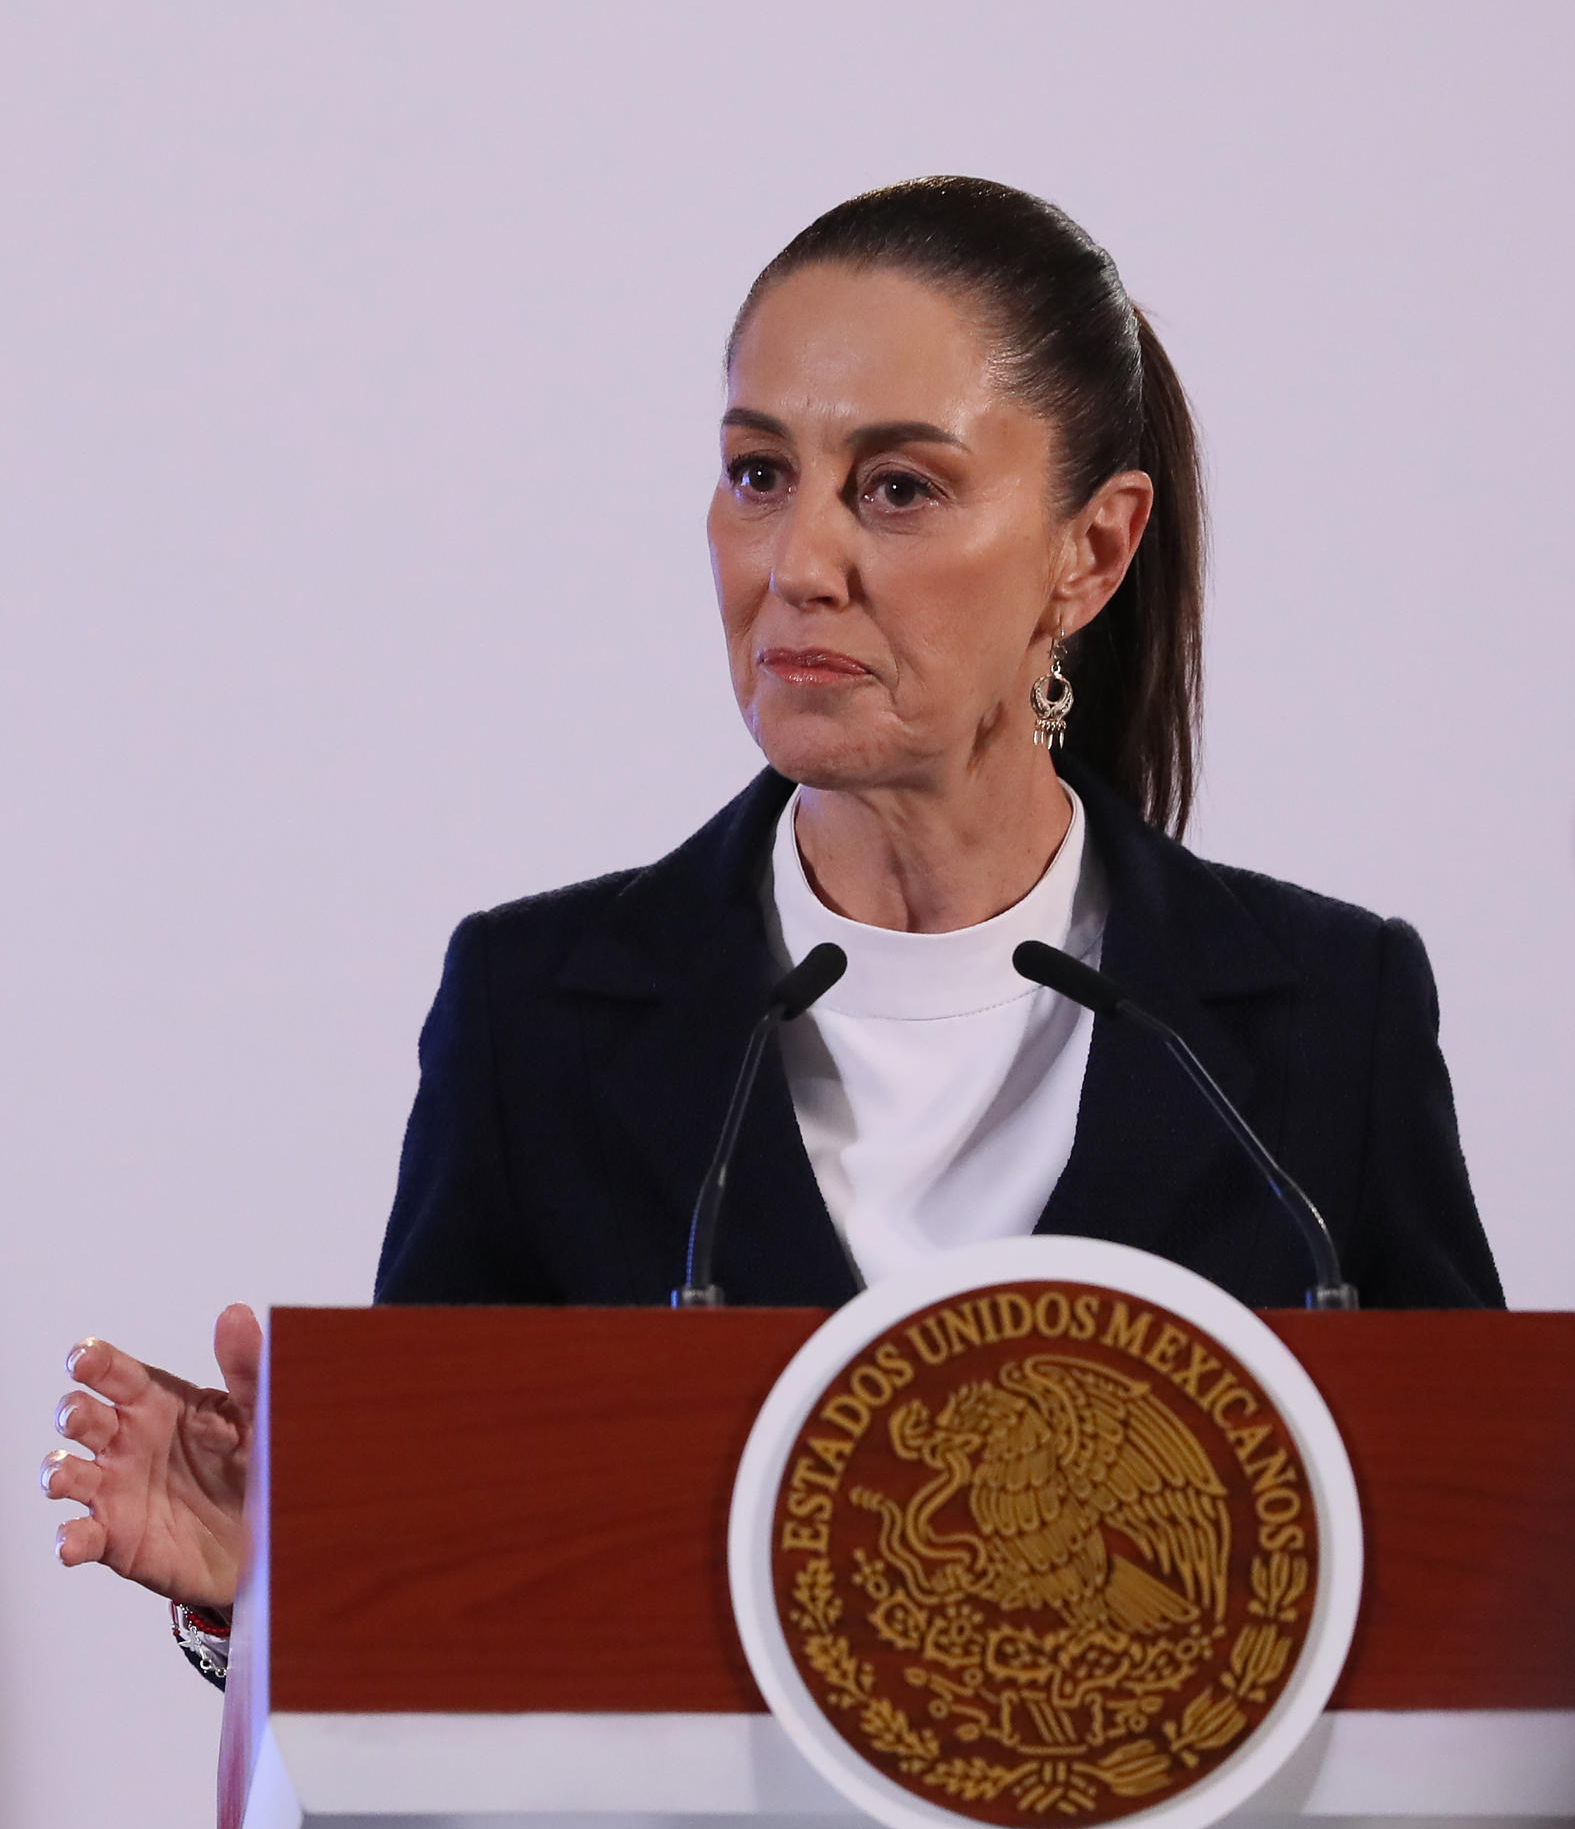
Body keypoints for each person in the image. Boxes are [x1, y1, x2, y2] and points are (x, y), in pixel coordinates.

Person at [41, 177, 1503, 1687]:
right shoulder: (539, 1016)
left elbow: (1489, 1601)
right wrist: (284, 1580)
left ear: (1093, 550)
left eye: (897, 488)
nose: (797, 562)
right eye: (757, 474)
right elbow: (464, 1648)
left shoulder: (1322, 1019)